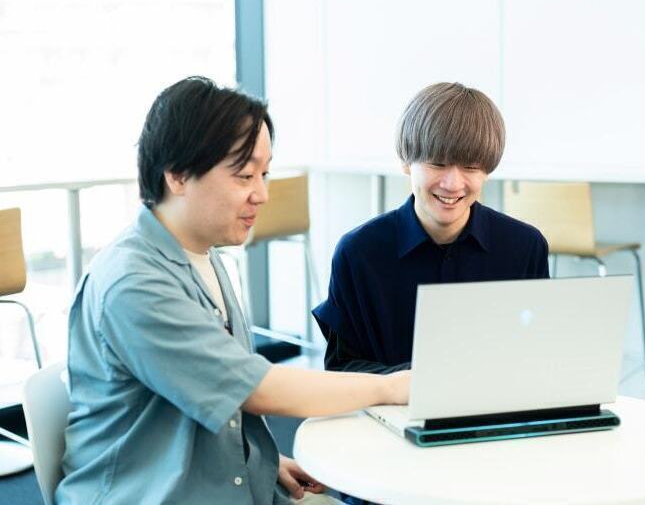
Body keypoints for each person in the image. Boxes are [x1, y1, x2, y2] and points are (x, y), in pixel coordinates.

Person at [55, 76, 409, 505]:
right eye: (244, 176)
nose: (262, 194)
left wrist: (261, 461)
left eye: (265, 174)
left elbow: (210, 389)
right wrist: (391, 387)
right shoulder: (134, 283)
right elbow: (257, 389)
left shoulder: (203, 254)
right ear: (178, 175)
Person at [313, 82, 549, 374]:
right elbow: (342, 368)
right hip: (393, 403)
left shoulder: (524, 247)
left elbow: (537, 354)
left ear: (487, 171)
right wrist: (419, 382)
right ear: (406, 163)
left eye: (470, 167)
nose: (452, 184)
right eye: (437, 164)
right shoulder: (358, 253)